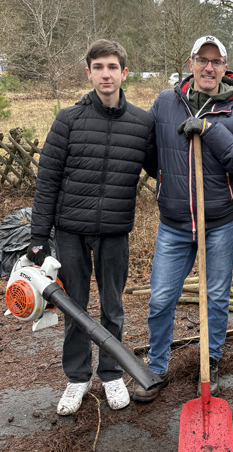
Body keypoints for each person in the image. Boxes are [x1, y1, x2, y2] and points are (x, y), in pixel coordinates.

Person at [28, 39, 157, 415]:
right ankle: (77, 377)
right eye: (98, 67)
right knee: (75, 306)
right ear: (88, 73)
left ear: (124, 73)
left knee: (113, 306)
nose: (106, 74)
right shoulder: (68, 120)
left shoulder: (142, 123)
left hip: (115, 231)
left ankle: (111, 373)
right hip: (71, 230)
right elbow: (47, 180)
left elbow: (161, 169)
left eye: (112, 67)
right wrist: (38, 237)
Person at [132, 35, 233, 402]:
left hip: (219, 223)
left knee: (216, 297)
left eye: (216, 61)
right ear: (191, 63)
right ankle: (157, 366)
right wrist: (170, 182)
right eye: (202, 59)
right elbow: (151, 154)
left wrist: (211, 130)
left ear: (225, 67)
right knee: (161, 298)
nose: (208, 67)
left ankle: (211, 361)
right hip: (173, 224)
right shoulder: (165, 102)